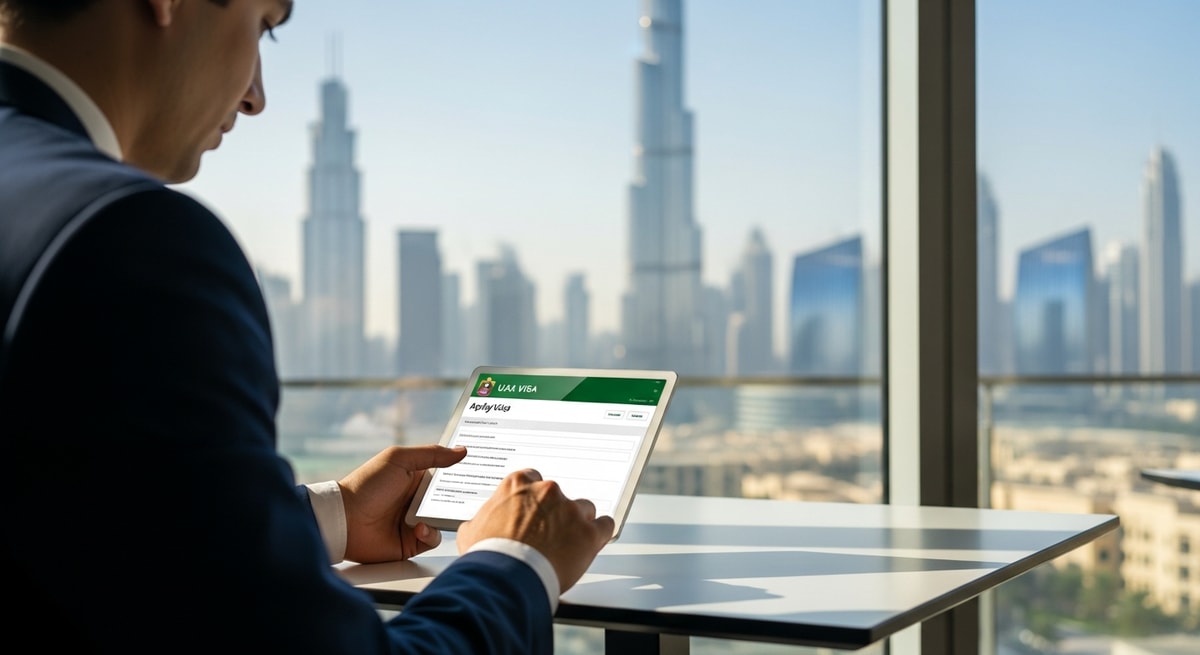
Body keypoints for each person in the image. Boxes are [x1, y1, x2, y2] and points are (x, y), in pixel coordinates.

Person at [0, 1, 614, 653]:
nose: (258, 95)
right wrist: (516, 562)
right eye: (263, 24)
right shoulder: (130, 241)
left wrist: (333, 515)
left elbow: (71, 516)